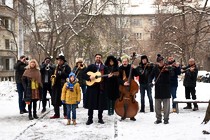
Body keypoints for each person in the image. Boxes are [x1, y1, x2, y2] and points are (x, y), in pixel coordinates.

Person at [83, 54, 109, 125]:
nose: (98, 58)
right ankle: (90, 119)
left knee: (100, 103)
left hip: (101, 87)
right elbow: (83, 74)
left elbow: (107, 77)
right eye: (97, 57)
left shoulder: (105, 67)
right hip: (92, 88)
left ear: (101, 58)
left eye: (99, 57)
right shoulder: (91, 66)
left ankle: (100, 118)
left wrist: (108, 77)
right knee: (91, 104)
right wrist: (89, 77)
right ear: (95, 58)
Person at [149, 54, 171, 124]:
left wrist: (168, 70)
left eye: (162, 60)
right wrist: (150, 82)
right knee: (157, 106)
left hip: (166, 88)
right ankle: (158, 119)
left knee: (166, 106)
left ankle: (166, 119)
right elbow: (151, 76)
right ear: (157, 62)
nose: (161, 62)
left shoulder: (168, 67)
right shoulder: (155, 68)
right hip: (158, 88)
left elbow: (172, 74)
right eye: (159, 61)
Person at [118, 54, 139, 121]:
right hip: (123, 87)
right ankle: (123, 113)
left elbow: (137, 74)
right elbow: (118, 78)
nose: (124, 62)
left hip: (131, 88)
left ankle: (132, 115)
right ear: (122, 62)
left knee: (131, 100)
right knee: (123, 101)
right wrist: (123, 83)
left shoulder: (131, 67)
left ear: (128, 61)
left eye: (126, 61)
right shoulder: (120, 69)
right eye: (123, 61)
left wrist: (134, 69)